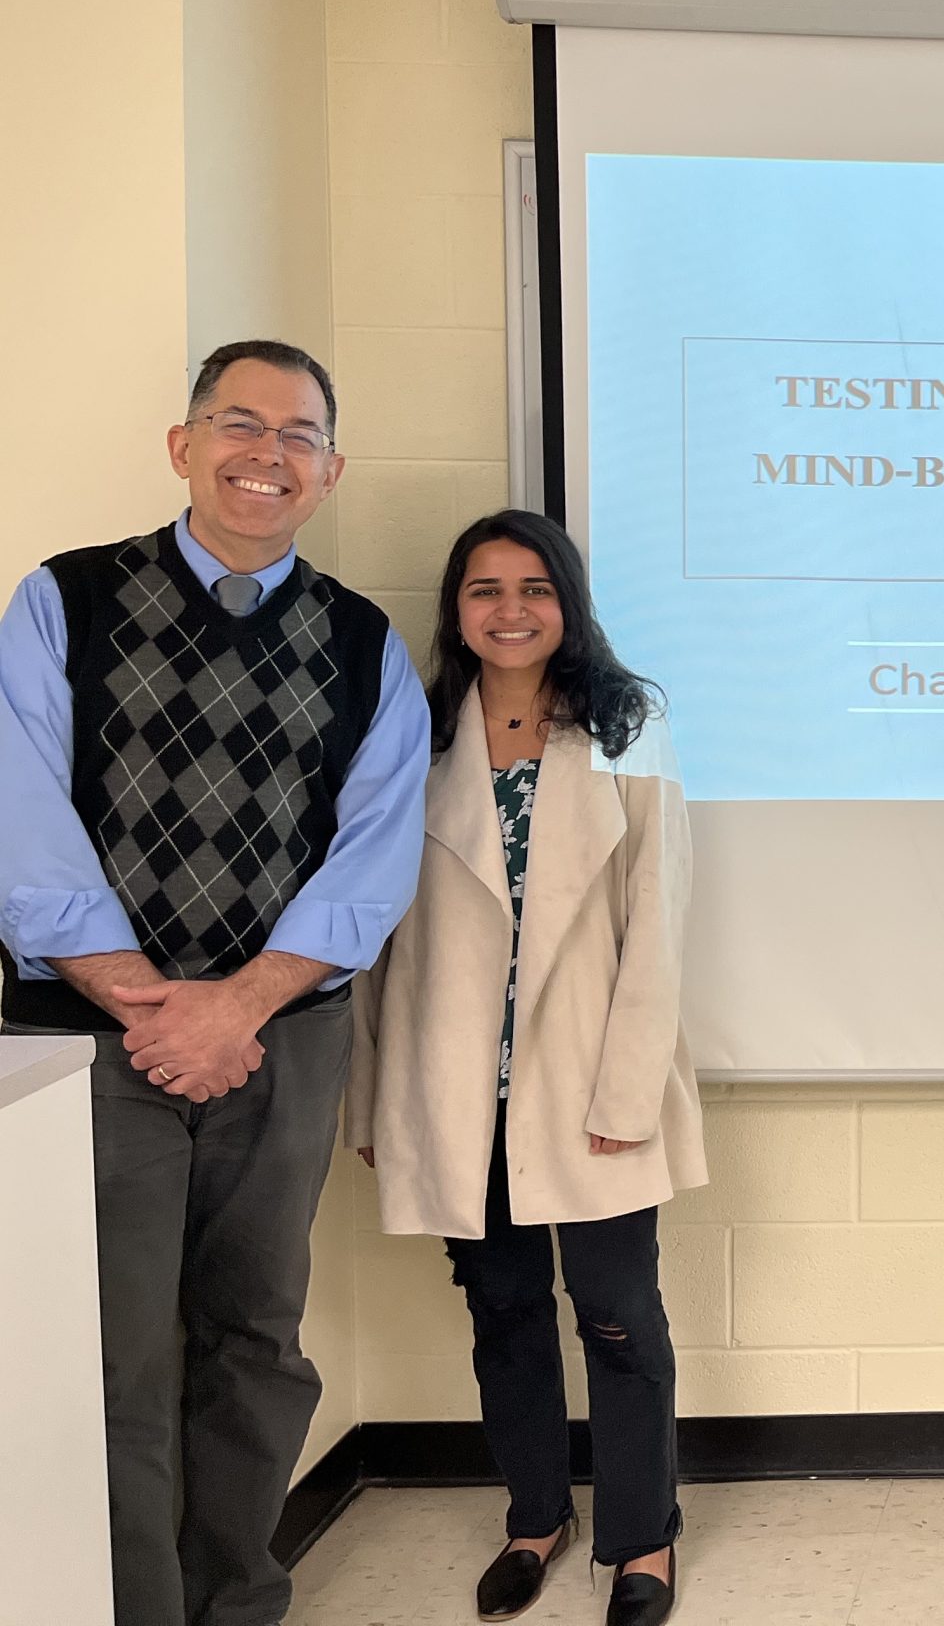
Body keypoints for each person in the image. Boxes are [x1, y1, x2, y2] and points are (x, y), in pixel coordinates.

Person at [0, 338, 430, 1626]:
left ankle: (238, 1604)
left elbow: (376, 854)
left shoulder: (363, 643)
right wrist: (155, 1003)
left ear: (332, 470)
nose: (268, 453)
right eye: (239, 423)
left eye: (300, 435)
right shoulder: (60, 602)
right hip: (86, 1043)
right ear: (182, 447)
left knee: (255, 1346)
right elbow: (19, 816)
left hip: (279, 1046)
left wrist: (233, 1006)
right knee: (112, 1356)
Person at [348, 509, 703, 1626]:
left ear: (569, 604)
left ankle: (642, 1543)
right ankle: (536, 1518)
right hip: (456, 1089)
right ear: (455, 610)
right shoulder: (412, 730)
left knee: (616, 1315)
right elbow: (369, 926)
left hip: (589, 1079)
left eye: (534, 588)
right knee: (500, 1313)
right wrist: (376, 1094)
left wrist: (629, 1089)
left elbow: (659, 917)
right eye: (484, 590)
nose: (510, 611)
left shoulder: (624, 724)